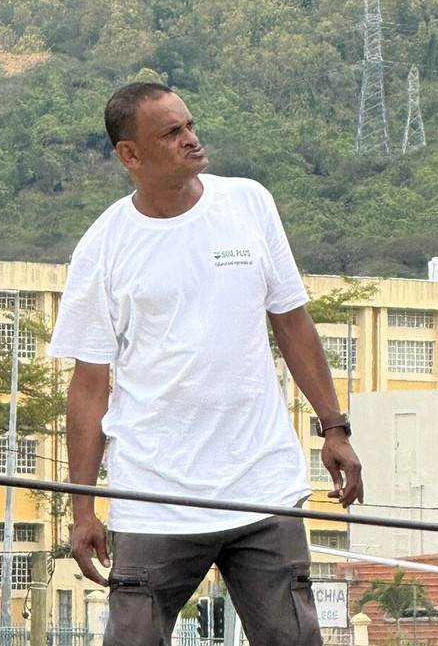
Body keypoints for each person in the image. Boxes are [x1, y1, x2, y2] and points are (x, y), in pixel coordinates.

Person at [48, 82, 363, 646]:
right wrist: (83, 509)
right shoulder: (103, 246)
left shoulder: (248, 202)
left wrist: (334, 428)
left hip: (262, 487)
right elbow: (90, 386)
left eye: (189, 125)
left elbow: (291, 321)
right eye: (171, 133)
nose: (191, 139)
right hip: (153, 500)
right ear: (131, 155)